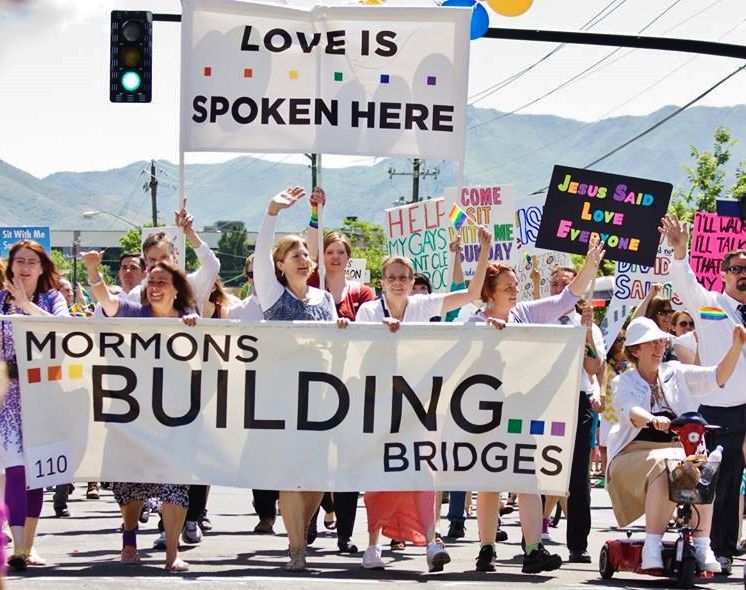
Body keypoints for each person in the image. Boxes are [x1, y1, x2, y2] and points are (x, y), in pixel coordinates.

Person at [356, 226, 493, 573]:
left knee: (425, 471)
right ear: (382, 281)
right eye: (392, 277)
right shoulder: (368, 313)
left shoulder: (422, 304)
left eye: (404, 276)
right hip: (381, 405)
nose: (398, 282)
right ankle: (372, 545)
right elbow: (358, 352)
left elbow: (471, 293)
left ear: (411, 279)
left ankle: (432, 541)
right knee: (378, 475)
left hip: (419, 406)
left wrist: (484, 250)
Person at [469, 235, 604, 574]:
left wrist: (589, 266)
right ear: (490, 292)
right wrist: (488, 335)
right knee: (489, 480)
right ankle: (486, 548)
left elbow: (567, 297)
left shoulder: (526, 313)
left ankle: (532, 550)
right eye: (508, 288)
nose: (515, 293)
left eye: (516, 286)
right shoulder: (472, 322)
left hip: (520, 411)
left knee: (527, 477)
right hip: (486, 413)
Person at [84, 250, 198, 572]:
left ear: (177, 288)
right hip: (133, 414)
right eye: (151, 282)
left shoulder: (188, 320)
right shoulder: (134, 311)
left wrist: (193, 329)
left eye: (162, 282)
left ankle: (172, 552)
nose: (155, 287)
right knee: (129, 481)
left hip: (175, 417)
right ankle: (129, 539)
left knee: (176, 481)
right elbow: (106, 302)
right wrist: (94, 270)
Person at [254, 186, 349, 572]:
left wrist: (340, 329)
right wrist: (271, 212)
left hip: (322, 400)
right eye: (295, 255)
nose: (304, 259)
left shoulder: (325, 299)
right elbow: (262, 255)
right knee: (291, 474)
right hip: (283, 399)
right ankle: (297, 548)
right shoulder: (272, 296)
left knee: (315, 476)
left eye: (306, 255)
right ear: (280, 265)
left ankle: (301, 525)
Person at [607, 316, 746, 572]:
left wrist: (736, 346)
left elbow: (716, 376)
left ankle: (703, 544)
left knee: (705, 469)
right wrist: (652, 420)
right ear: (635, 350)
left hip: (681, 452)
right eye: (652, 343)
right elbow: (630, 411)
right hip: (634, 454)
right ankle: (651, 546)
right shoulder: (623, 381)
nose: (660, 347)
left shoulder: (675, 371)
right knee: (666, 466)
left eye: (662, 341)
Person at [660, 215, 746, 575]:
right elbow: (686, 282)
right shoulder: (710, 305)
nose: (743, 274)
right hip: (717, 409)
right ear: (724, 274)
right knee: (718, 484)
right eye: (737, 268)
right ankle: (716, 550)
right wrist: (681, 250)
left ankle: (725, 547)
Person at [305, 187, 376, 554]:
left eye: (340, 253)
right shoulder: (311, 287)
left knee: (346, 463)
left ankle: (346, 533)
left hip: (350, 387)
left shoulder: (362, 293)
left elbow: (371, 329)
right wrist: (316, 212)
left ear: (349, 258)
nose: (334, 257)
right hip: (314, 387)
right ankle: (309, 523)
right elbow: (308, 242)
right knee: (315, 460)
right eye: (329, 252)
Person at [0, 240, 69, 571]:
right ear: (11, 266)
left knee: (37, 473)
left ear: (42, 268)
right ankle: (17, 546)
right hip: (8, 398)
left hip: (44, 395)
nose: (25, 267)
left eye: (32, 261)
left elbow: (66, 332)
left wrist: (27, 306)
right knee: (15, 470)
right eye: (19, 261)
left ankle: (30, 544)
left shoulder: (53, 300)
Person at [545, 267, 606, 563]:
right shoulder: (539, 317)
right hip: (544, 401)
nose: (559, 289)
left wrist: (585, 335)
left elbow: (594, 368)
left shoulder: (588, 326)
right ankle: (534, 537)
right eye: (554, 284)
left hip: (576, 400)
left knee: (578, 475)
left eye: (565, 284)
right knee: (538, 470)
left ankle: (577, 543)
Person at [128, 205, 220, 314]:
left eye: (164, 257)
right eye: (152, 259)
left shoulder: (191, 285)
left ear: (174, 256)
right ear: (146, 262)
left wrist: (189, 231)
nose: (159, 264)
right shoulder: (136, 295)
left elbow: (212, 267)